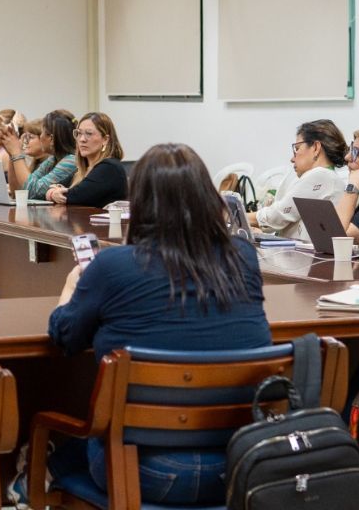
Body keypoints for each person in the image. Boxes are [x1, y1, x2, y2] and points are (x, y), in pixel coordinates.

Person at [46, 143, 271, 504]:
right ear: (207, 198)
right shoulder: (242, 256)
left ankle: (32, 482)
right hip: (241, 467)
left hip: (143, 471)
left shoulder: (113, 266)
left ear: (139, 203)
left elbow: (65, 337)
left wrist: (72, 287)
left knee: (63, 445)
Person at [248, 119, 349, 241]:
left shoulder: (321, 175)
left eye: (297, 148)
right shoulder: (326, 177)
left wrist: (238, 216)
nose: (292, 159)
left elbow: (278, 215)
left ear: (316, 147)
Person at [45, 112, 127, 207]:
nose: (82, 139)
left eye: (89, 134)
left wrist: (53, 193)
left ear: (105, 139)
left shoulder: (109, 167)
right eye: (79, 133)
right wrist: (52, 192)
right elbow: (51, 187)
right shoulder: (82, 169)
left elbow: (75, 196)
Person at [0, 109, 78, 201]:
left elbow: (32, 190)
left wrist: (16, 152)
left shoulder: (71, 161)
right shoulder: (52, 160)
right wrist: (12, 155)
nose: (41, 136)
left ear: (51, 138)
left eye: (42, 132)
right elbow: (19, 192)